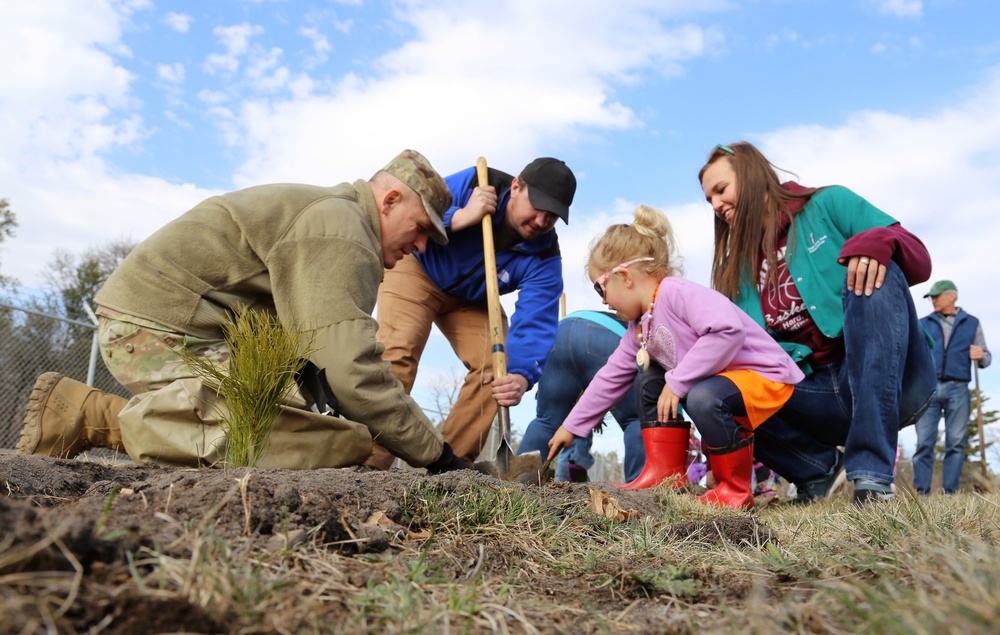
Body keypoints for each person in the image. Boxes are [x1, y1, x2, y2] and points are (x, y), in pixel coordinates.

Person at [16, 149, 468, 474]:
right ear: (389, 201)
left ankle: (90, 413)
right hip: (153, 331)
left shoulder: (336, 217)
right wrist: (437, 454)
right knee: (328, 442)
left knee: (319, 426)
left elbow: (324, 366)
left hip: (183, 327)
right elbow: (351, 371)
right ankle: (87, 414)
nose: (422, 247)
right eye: (422, 228)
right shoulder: (343, 232)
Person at [699, 141, 936, 505]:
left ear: (750, 175)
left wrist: (877, 241)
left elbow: (918, 256)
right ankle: (817, 470)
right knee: (707, 388)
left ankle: (872, 476)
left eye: (720, 190)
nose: (715, 205)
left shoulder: (827, 203)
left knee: (874, 269)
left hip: (892, 380)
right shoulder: (736, 269)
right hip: (811, 395)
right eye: (708, 200)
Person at [547, 205, 804, 509]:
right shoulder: (640, 326)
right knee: (649, 379)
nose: (603, 300)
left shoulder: (677, 293)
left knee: (700, 396)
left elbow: (727, 331)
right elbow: (611, 376)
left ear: (624, 276)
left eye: (601, 289)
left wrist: (678, 382)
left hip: (763, 375)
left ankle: (734, 489)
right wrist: (572, 426)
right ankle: (665, 476)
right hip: (723, 384)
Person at [368, 157, 577, 468]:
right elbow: (419, 207)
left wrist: (521, 375)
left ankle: (449, 466)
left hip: (471, 299)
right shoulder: (477, 183)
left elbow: (535, 321)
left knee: (497, 370)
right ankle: (370, 461)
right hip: (419, 265)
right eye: (537, 207)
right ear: (517, 187)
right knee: (399, 350)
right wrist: (459, 217)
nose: (540, 222)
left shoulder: (545, 257)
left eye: (552, 217)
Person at [517, 310, 645, 483]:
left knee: (546, 420)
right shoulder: (646, 332)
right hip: (605, 335)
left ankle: (516, 485)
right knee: (637, 419)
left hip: (561, 331)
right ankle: (642, 490)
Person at [912, 280, 991, 494]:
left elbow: (986, 357)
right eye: (932, 297)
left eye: (937, 296)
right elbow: (913, 354)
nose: (934, 300)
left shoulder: (971, 323)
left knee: (956, 442)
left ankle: (950, 493)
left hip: (959, 388)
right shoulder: (923, 323)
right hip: (928, 388)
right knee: (924, 443)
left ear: (952, 296)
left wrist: (980, 355)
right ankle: (921, 493)